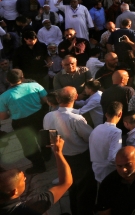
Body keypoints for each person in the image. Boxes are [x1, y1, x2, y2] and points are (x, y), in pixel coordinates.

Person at [43, 86, 96, 215]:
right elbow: (90, 138)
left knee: (70, 186)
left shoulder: (48, 116)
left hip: (62, 157)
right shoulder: (76, 119)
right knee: (85, 189)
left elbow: (49, 137)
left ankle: (75, 210)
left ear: (57, 98)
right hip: (80, 158)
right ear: (76, 97)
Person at [0, 135, 72, 214]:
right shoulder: (29, 207)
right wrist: (58, 153)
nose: (25, 179)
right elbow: (66, 182)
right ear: (14, 192)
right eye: (22, 180)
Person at [0, 68, 48, 174]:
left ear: (7, 80)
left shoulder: (3, 97)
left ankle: (39, 166)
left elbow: (3, 117)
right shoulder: (35, 86)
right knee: (43, 137)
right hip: (39, 117)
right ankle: (47, 155)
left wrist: (12, 112)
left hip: (21, 122)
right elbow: (46, 100)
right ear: (22, 77)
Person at [89, 101, 123, 183]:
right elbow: (112, 158)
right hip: (109, 172)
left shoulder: (97, 128)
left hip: (97, 170)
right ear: (120, 114)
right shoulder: (116, 132)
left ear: (106, 114)